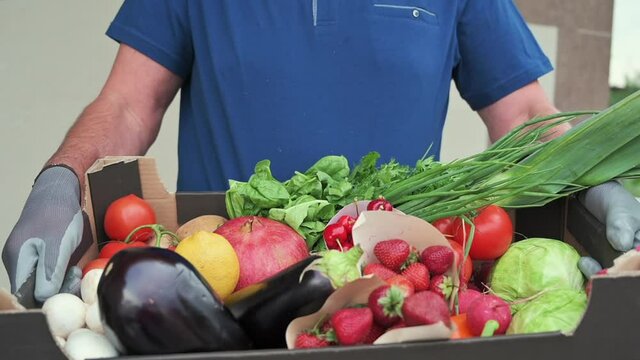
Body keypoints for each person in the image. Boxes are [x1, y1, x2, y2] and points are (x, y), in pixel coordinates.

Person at [3, 0, 638, 303]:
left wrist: (587, 175)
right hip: (223, 299)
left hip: (396, 298)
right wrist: (61, 179)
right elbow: (125, 104)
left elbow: (524, 113)